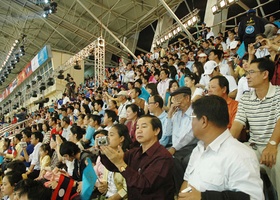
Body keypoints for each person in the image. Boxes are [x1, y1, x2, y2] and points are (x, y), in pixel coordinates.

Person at [179, 95, 264, 200]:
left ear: (204, 121)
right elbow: (187, 181)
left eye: (192, 117)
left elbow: (253, 198)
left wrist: (204, 197)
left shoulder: (240, 155)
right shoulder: (199, 149)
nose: (191, 123)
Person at [230, 57, 280, 198]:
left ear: (265, 74)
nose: (247, 76)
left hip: (276, 144)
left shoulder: (278, 94)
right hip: (254, 146)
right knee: (232, 161)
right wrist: (225, 145)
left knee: (278, 164)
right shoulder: (246, 98)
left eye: (251, 72)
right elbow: (237, 125)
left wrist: (272, 145)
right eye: (247, 72)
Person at [100, 115, 175, 200]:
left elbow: (145, 185)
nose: (139, 130)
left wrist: (120, 163)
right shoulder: (134, 152)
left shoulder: (163, 157)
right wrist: (104, 152)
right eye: (137, 127)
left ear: (156, 131)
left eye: (144, 127)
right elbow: (112, 166)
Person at [166, 86, 198, 193]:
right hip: (176, 147)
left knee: (175, 160)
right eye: (174, 100)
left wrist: (174, 148)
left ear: (187, 98)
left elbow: (190, 135)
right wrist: (170, 114)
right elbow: (167, 133)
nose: (176, 102)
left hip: (191, 146)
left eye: (178, 98)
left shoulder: (195, 112)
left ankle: (181, 191)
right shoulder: (177, 114)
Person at [96, 124, 132, 199]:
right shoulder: (108, 156)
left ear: (121, 138)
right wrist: (103, 186)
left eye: (111, 135)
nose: (107, 138)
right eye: (107, 135)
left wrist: (112, 198)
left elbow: (127, 189)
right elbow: (106, 181)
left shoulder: (128, 157)